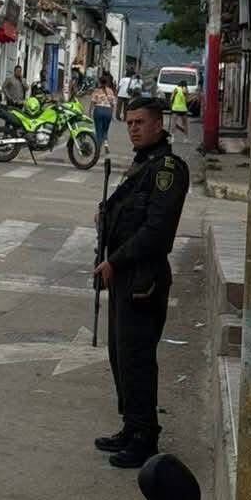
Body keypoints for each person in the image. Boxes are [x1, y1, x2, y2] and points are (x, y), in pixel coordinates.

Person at [93, 94, 189, 469]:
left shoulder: (167, 170)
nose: (133, 128)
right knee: (120, 355)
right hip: (122, 276)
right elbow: (120, 209)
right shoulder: (141, 165)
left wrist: (114, 260)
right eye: (129, 122)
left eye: (139, 123)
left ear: (158, 124)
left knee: (136, 358)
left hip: (142, 278)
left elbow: (157, 232)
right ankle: (131, 426)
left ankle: (145, 436)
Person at [90, 71, 117, 154]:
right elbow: (113, 104)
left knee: (99, 130)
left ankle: (98, 149)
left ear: (99, 82)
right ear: (107, 82)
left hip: (98, 110)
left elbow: (93, 102)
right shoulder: (111, 91)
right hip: (108, 111)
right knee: (105, 130)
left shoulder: (96, 91)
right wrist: (112, 114)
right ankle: (105, 145)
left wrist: (90, 112)